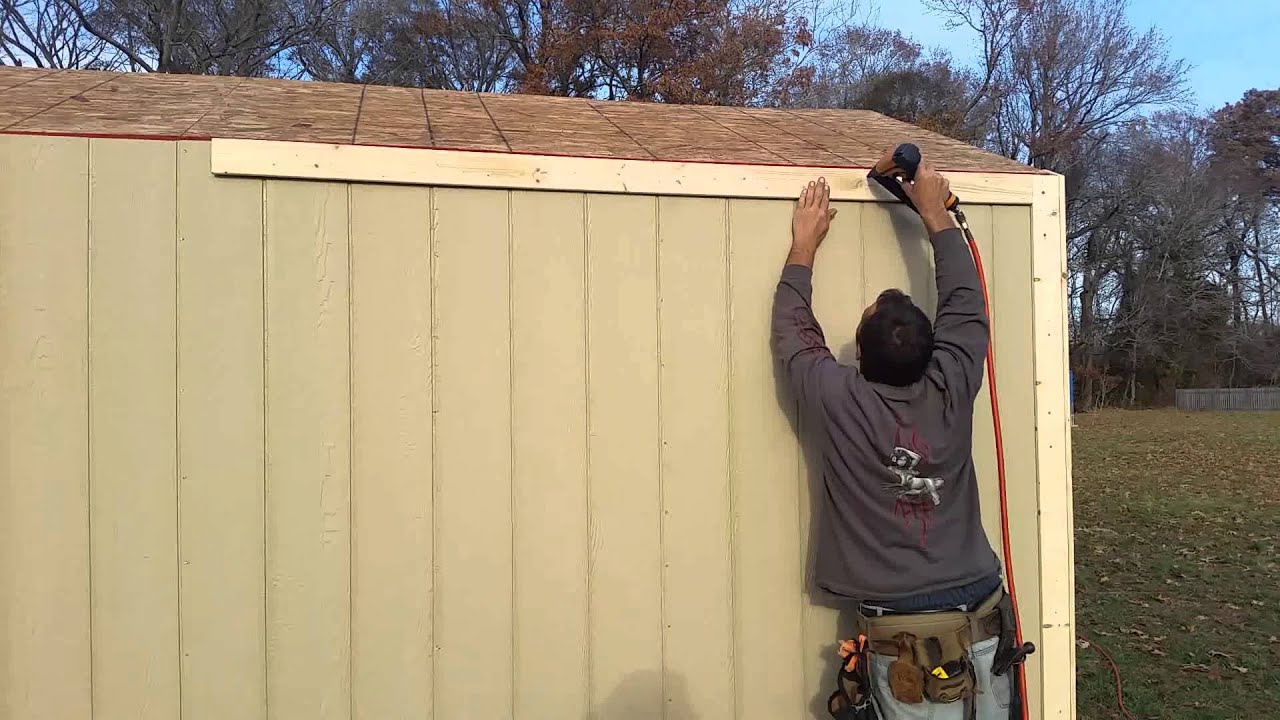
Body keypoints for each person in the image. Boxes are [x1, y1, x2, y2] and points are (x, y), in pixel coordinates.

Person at [771, 166, 1022, 719]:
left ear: (858, 357)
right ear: (932, 354)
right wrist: (935, 214)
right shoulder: (953, 378)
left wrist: (804, 245)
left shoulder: (838, 396)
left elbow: (794, 330)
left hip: (904, 636)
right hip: (980, 609)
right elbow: (964, 305)